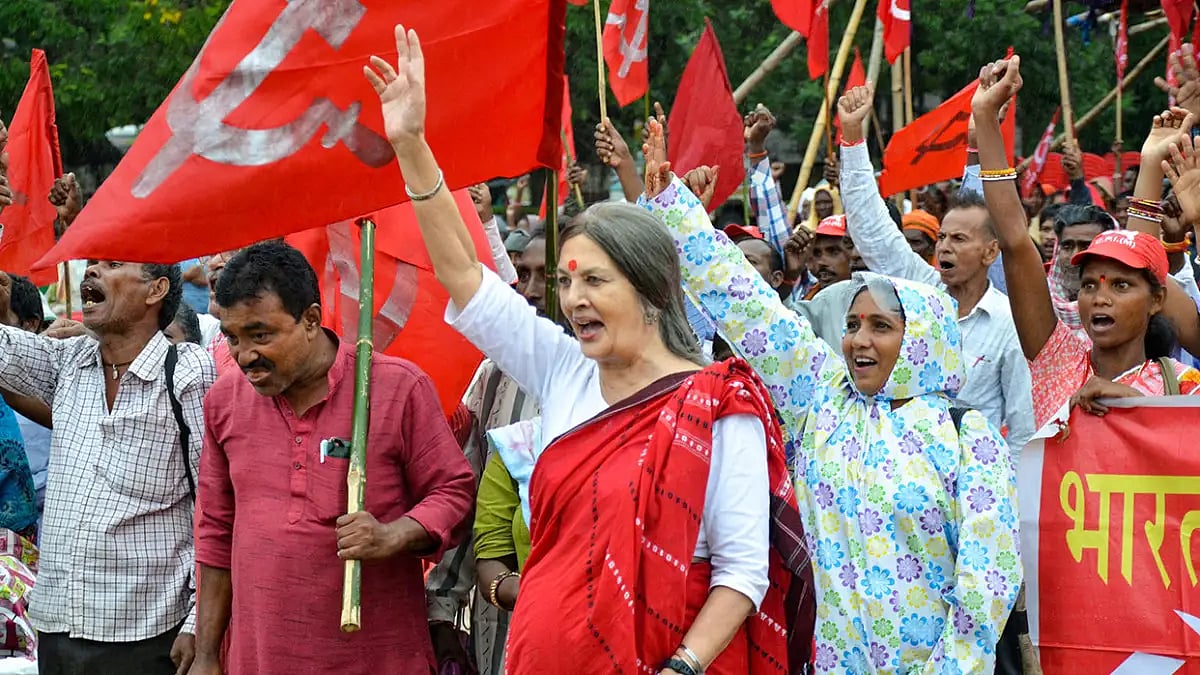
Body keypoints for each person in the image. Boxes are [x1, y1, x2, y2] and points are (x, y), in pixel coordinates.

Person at [367, 26, 813, 673]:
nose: (573, 297)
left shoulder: (720, 406)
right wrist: (412, 146)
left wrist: (680, 666)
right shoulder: (563, 367)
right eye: (568, 280)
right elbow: (465, 274)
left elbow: (743, 571)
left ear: (652, 287)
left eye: (595, 280)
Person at [644, 106, 1020, 672]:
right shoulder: (822, 400)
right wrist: (672, 204)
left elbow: (988, 583)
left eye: (880, 327)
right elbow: (747, 303)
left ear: (921, 338)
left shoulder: (969, 437)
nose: (857, 341)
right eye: (851, 325)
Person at [191, 242, 474, 675]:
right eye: (231, 336)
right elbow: (215, 532)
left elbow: (453, 492)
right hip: (258, 658)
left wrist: (394, 535)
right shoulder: (223, 401)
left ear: (310, 319)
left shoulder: (396, 387)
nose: (244, 356)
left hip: (377, 657)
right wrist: (208, 655)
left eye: (260, 334)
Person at [0, 260, 212, 674]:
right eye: (92, 263)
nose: (92, 271)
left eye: (112, 265)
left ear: (156, 291)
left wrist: (197, 623)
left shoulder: (186, 370)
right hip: (58, 625)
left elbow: (216, 506)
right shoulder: (68, 361)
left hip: (148, 633)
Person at [974, 57, 1200, 430]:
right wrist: (984, 118)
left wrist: (1140, 406)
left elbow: (1142, 256)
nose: (1099, 297)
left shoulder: (1183, 387)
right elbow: (1015, 240)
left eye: (1121, 285)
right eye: (1090, 284)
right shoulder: (1057, 361)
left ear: (1157, 300)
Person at [838, 85, 1036, 453]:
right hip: (901, 478)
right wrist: (851, 138)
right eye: (942, 237)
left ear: (991, 251)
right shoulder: (920, 294)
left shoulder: (1009, 322)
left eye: (959, 239)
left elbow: (1023, 429)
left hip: (972, 489)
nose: (944, 246)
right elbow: (872, 231)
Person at [805, 214, 852, 300]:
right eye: (817, 253)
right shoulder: (810, 299)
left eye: (833, 251)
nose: (820, 262)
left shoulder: (876, 298)